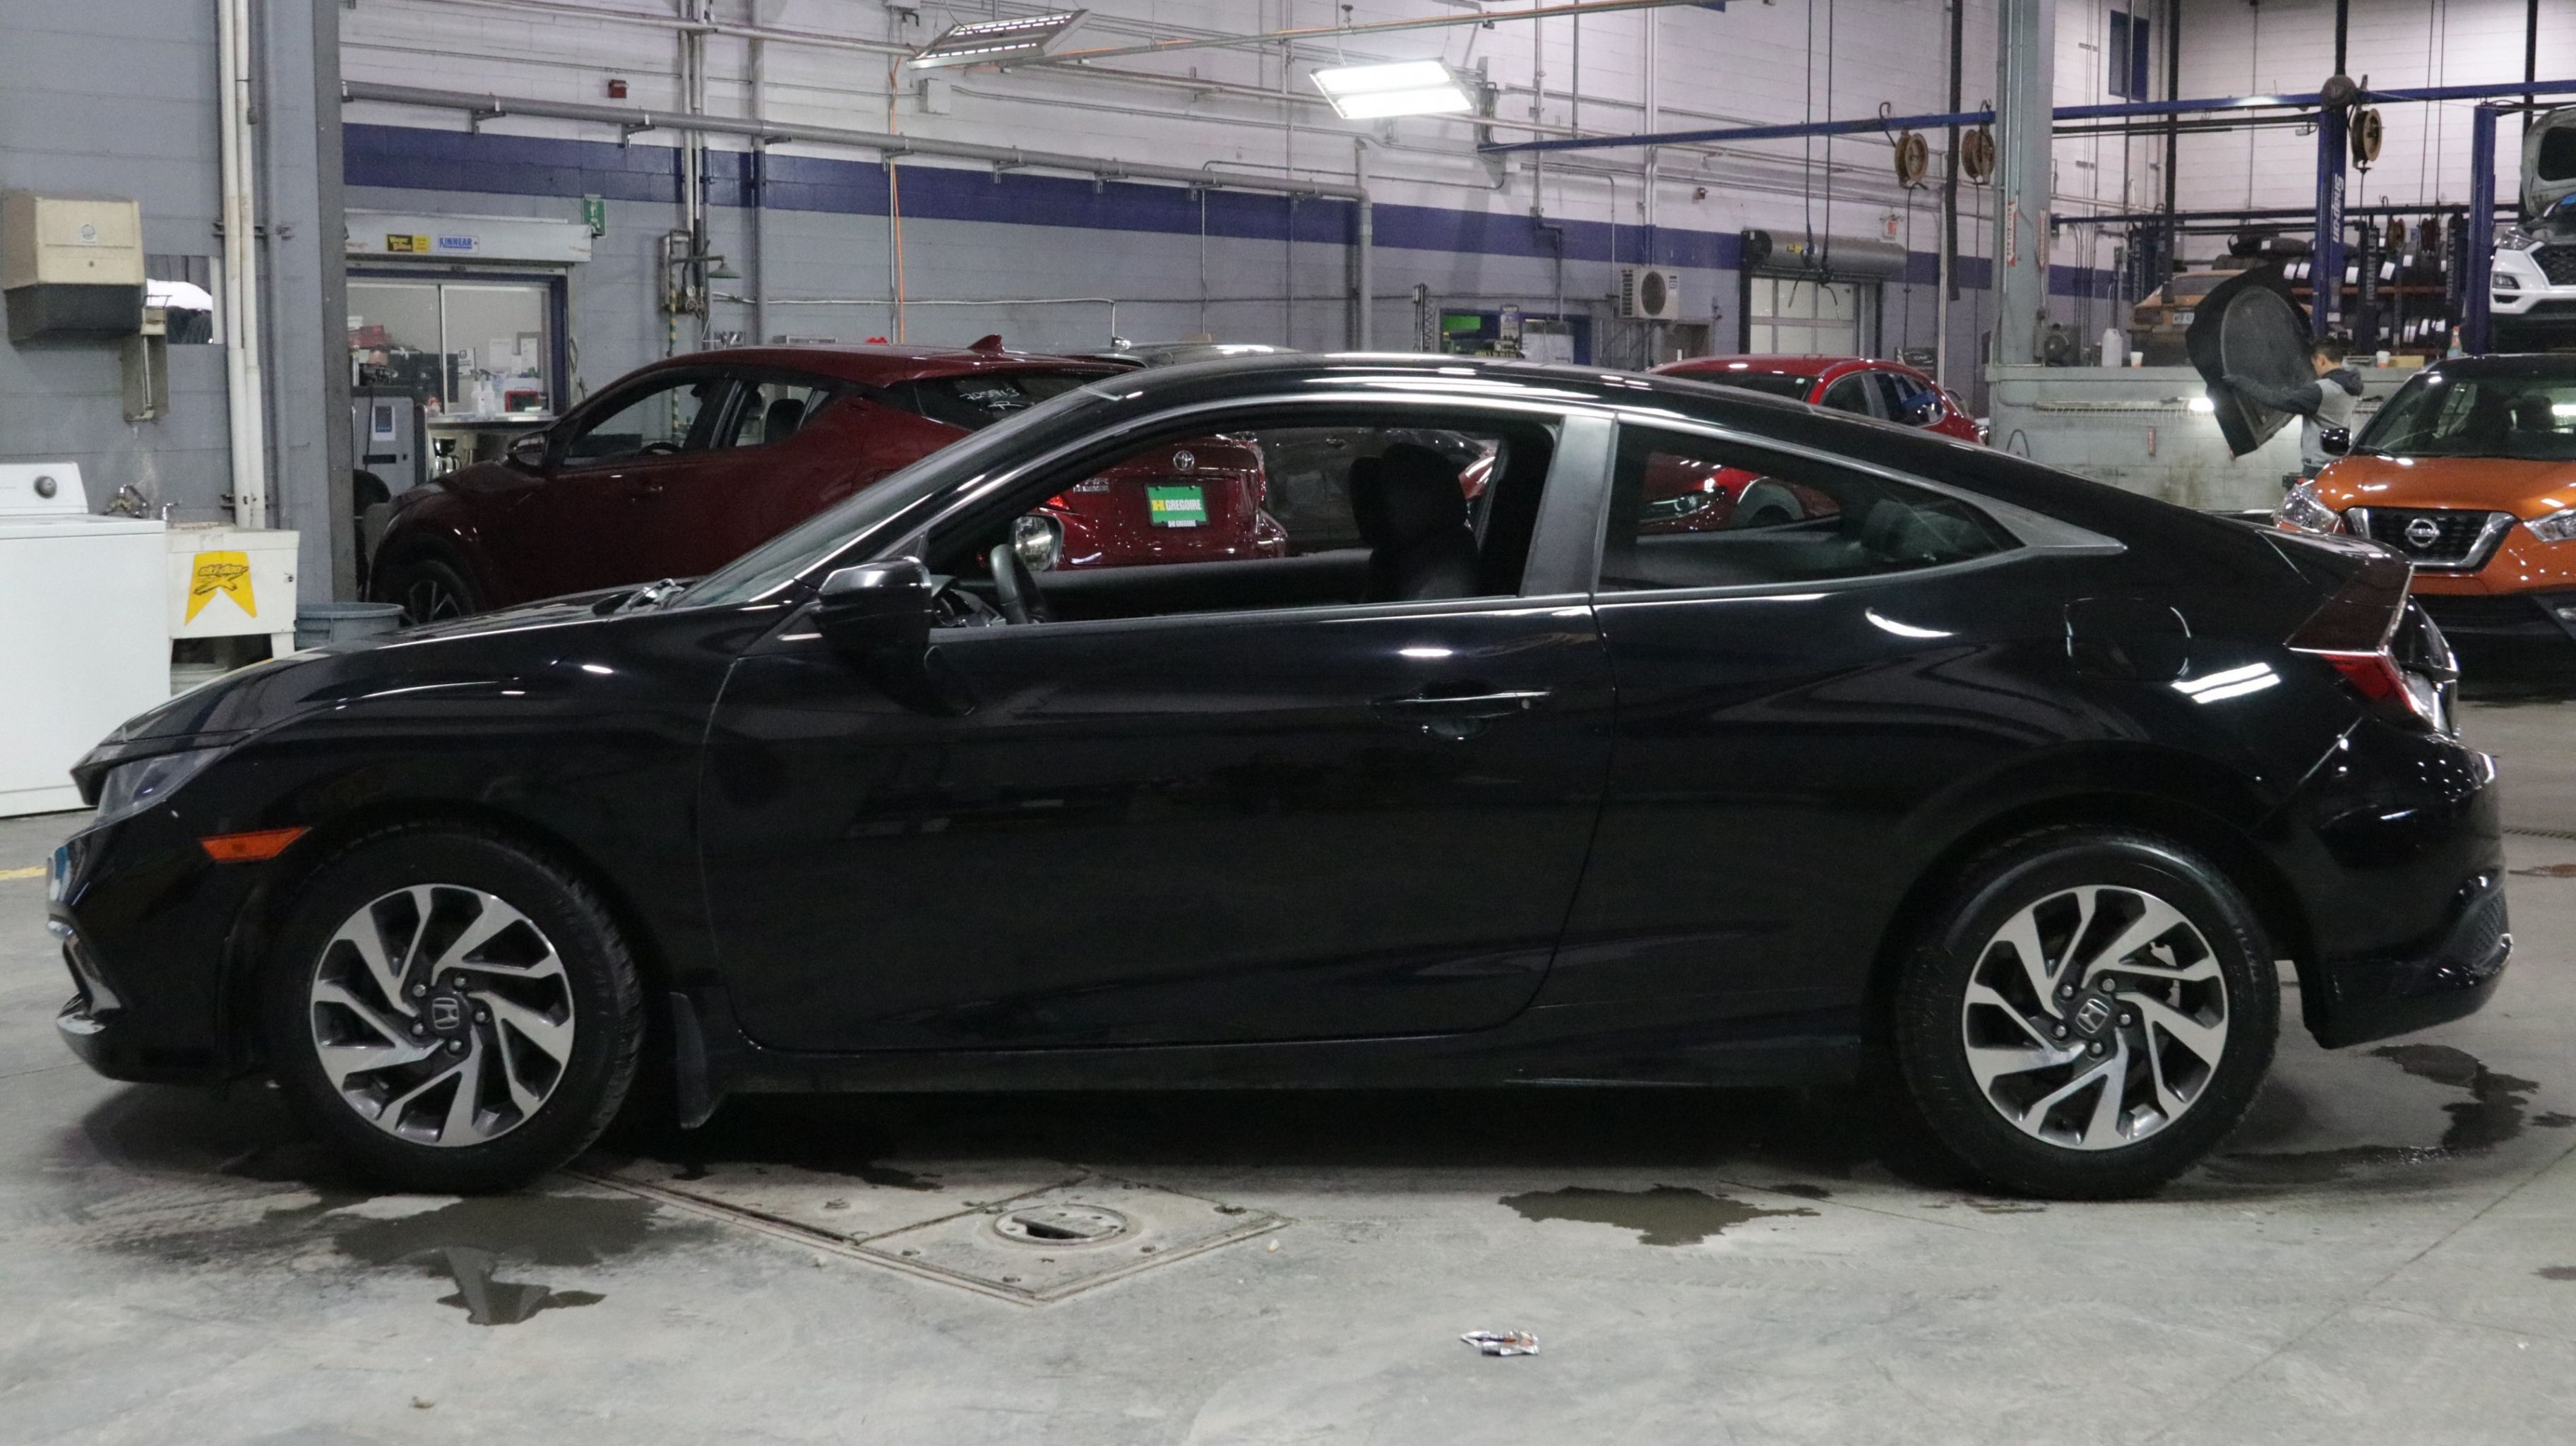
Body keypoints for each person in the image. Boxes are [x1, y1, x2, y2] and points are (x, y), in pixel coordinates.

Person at [2225, 336, 2363, 479]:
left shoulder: (2322, 391)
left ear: (2321, 360)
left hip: (2319, 467)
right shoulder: (2350, 383)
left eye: (2314, 364)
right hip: (2338, 460)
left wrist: (2241, 382)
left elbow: (2276, 400)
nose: (2315, 370)